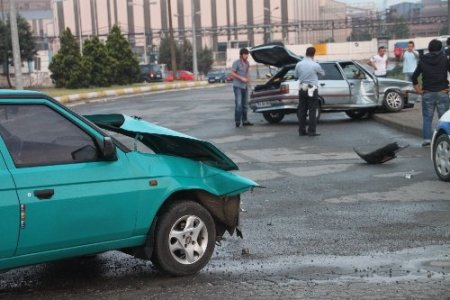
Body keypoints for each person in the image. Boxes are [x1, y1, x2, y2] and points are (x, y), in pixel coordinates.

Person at [412, 39, 450, 147]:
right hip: (443, 92)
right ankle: (446, 139)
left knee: (427, 118)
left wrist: (418, 89)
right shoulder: (444, 59)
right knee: (444, 119)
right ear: (440, 48)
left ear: (429, 48)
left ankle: (427, 141)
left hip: (428, 93)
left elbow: (414, 76)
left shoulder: (423, 60)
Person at [294, 47, 325, 137]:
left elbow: (295, 75)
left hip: (302, 89)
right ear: (313, 54)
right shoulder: (315, 65)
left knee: (302, 109)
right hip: (312, 89)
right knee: (312, 110)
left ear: (306, 53)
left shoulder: (299, 64)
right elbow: (322, 73)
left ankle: (301, 131)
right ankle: (311, 131)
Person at [230, 48, 253, 127]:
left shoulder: (247, 63)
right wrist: (241, 78)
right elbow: (232, 73)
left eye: (247, 54)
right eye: (245, 54)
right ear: (241, 55)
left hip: (245, 86)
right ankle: (237, 121)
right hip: (237, 86)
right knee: (239, 104)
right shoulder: (236, 63)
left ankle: (245, 120)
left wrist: (249, 83)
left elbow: (247, 74)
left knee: (245, 104)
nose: (246, 56)